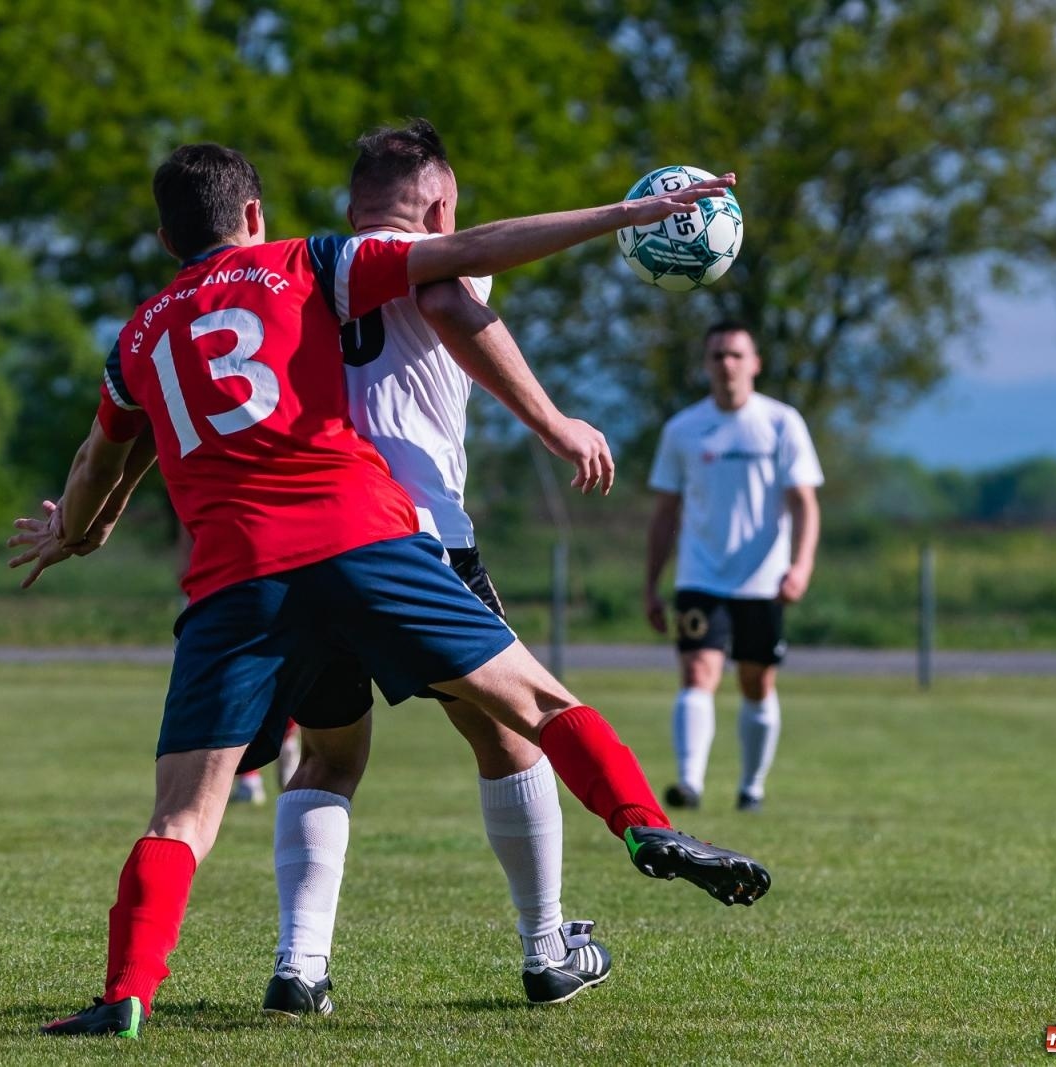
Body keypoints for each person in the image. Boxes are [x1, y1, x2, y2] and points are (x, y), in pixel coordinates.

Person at [10, 143, 769, 1039]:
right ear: (254, 215)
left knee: (192, 806)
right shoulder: (307, 261)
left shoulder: (137, 336)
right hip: (370, 540)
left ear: (166, 234)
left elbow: (102, 460)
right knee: (534, 707)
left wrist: (77, 532)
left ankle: (133, 990)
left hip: (236, 581)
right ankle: (640, 828)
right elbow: (464, 263)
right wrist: (618, 217)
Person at [258, 119, 620, 1017]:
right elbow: (454, 307)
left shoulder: (307, 271)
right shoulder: (437, 256)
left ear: (352, 207)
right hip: (419, 538)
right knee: (512, 734)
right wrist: (556, 422)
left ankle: (300, 968)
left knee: (333, 755)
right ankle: (547, 950)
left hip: (312, 548)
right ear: (443, 207)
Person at [643, 322, 823, 814]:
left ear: (755, 363)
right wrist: (652, 584)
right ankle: (689, 783)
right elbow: (664, 514)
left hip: (764, 580)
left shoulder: (782, 423)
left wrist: (800, 566)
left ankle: (752, 787)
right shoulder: (682, 430)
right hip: (700, 575)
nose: (727, 365)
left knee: (756, 681)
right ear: (706, 365)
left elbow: (804, 503)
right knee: (699, 671)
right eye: (717, 356)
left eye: (736, 355)